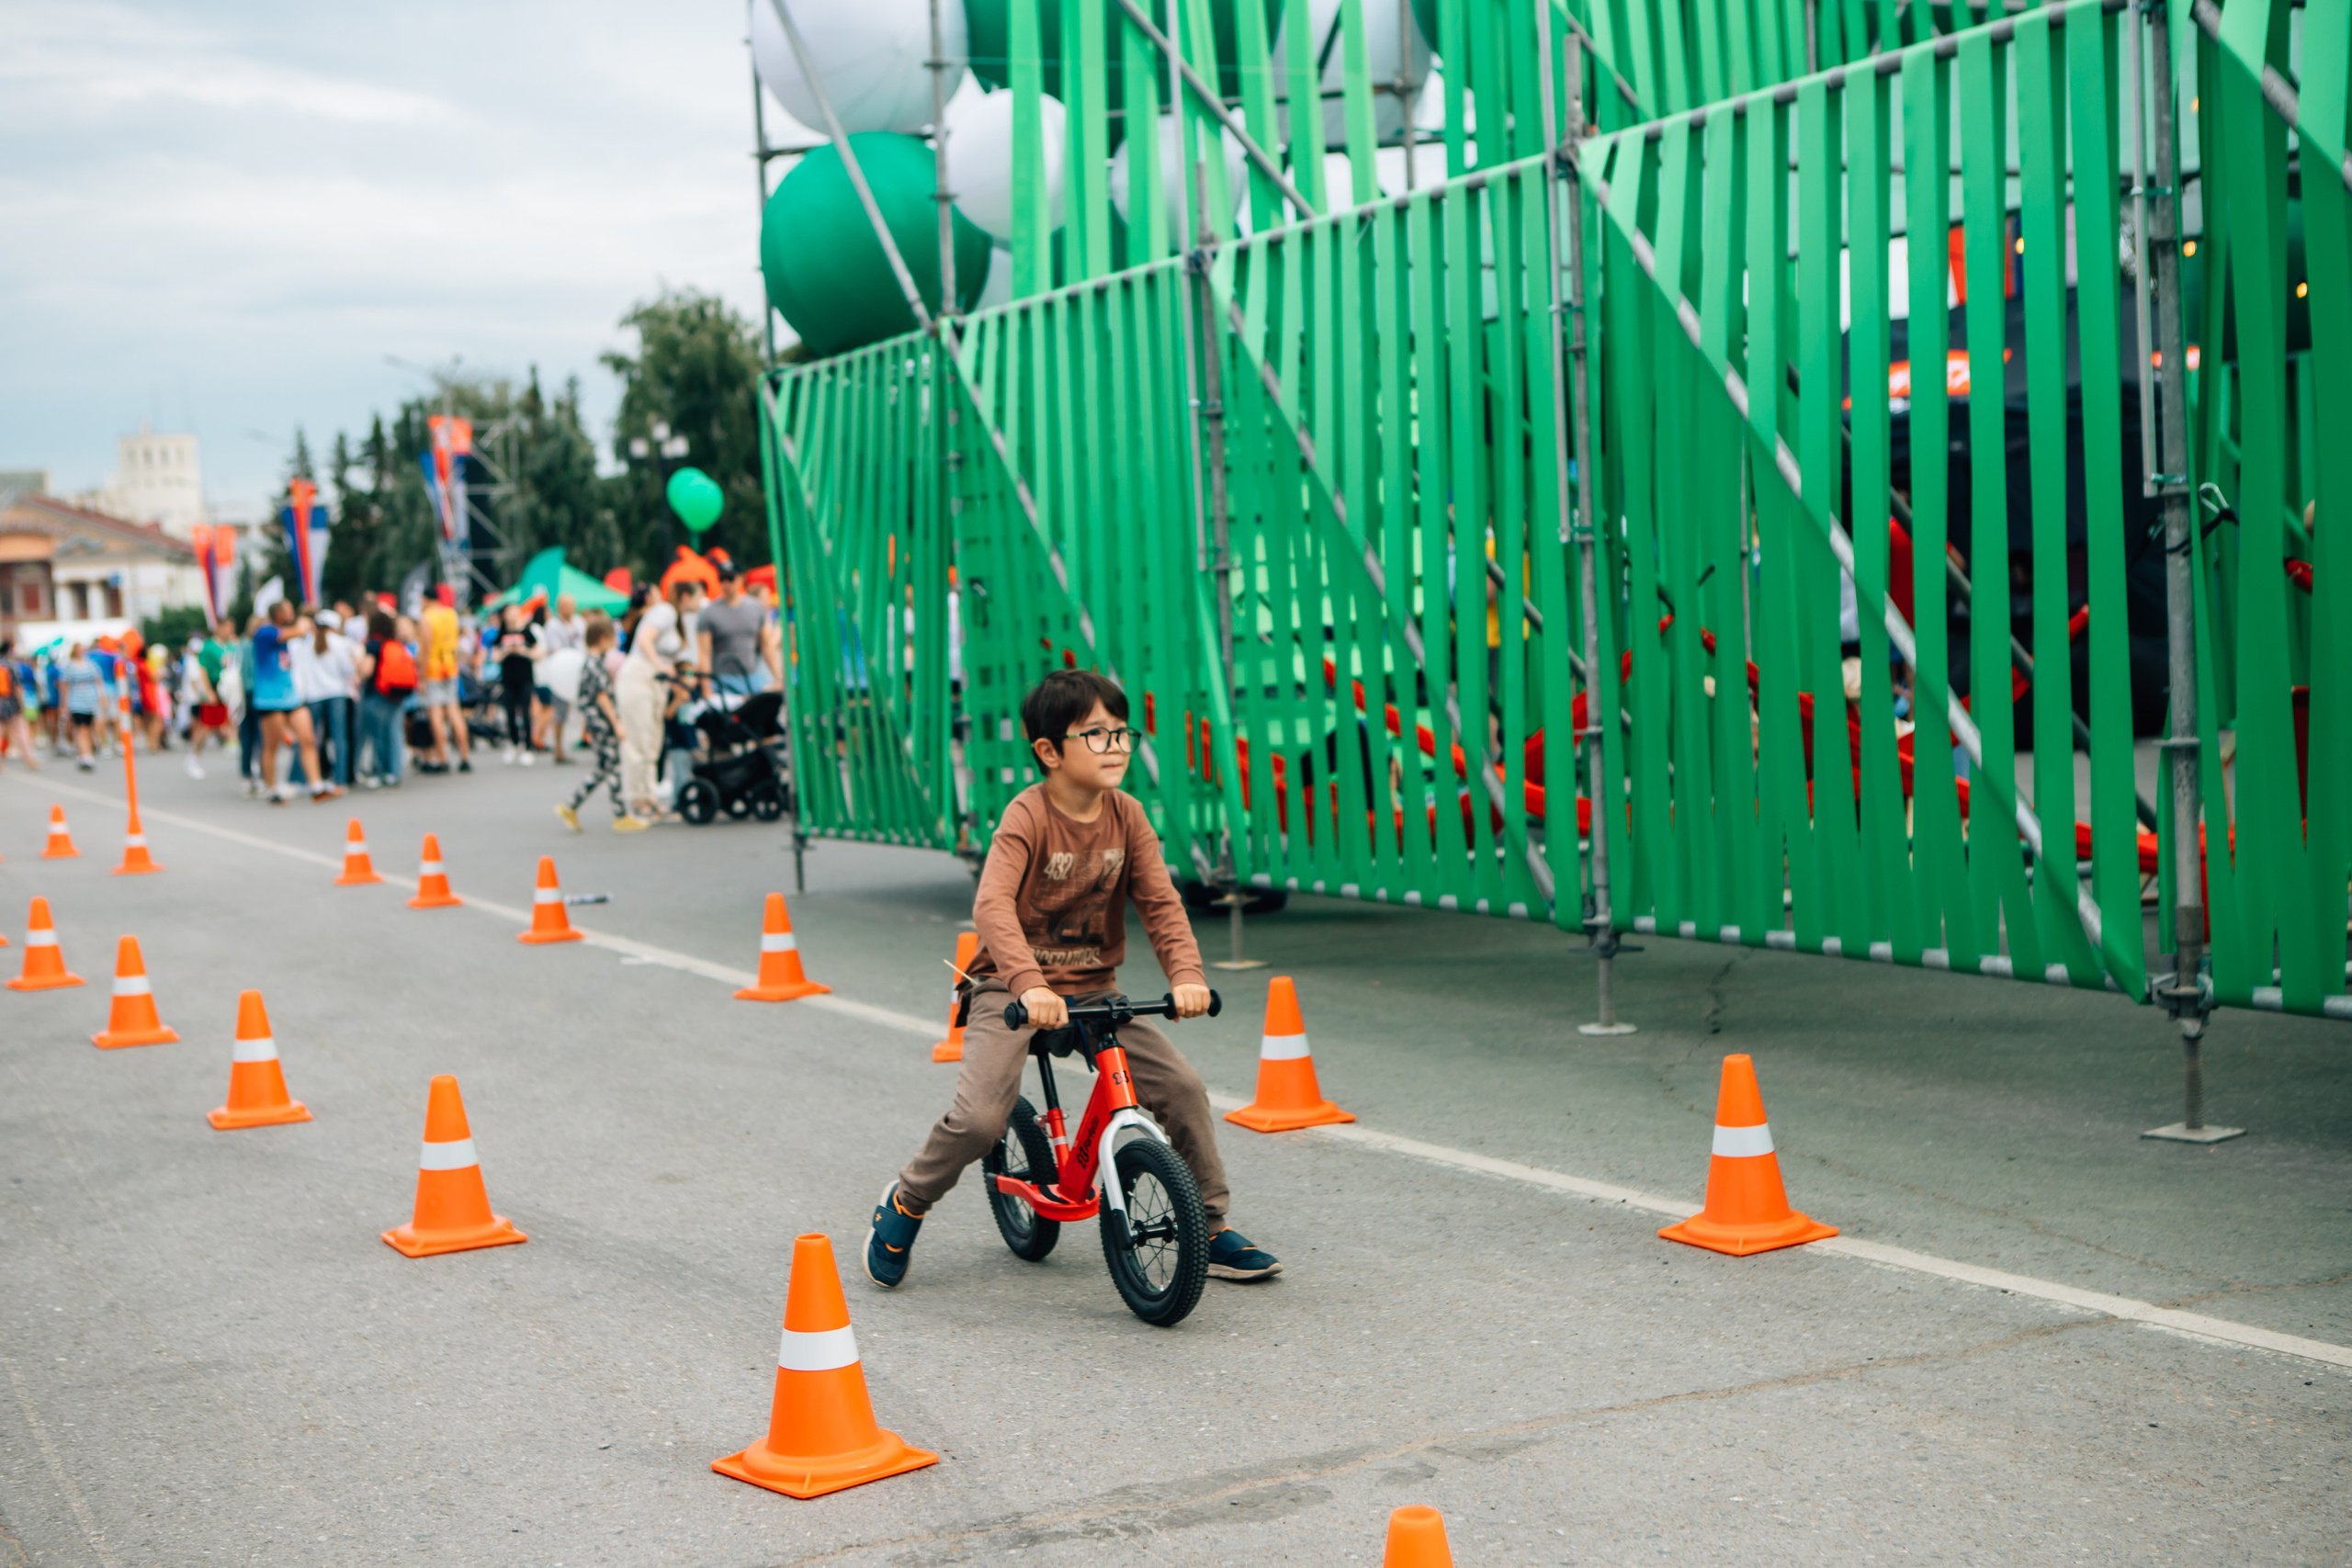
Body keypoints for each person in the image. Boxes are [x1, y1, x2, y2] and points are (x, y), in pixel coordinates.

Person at [865, 668, 1281, 1290]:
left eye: (1122, 734)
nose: (1116, 748)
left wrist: (1187, 974)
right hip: (1008, 987)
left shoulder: (1128, 815)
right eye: (1096, 735)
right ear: (1049, 751)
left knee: (1184, 1088)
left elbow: (1161, 903)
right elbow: (993, 906)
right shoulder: (1026, 816)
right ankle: (907, 1199)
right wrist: (1029, 984)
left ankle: (1212, 1228)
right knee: (981, 1119)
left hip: (1092, 990)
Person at [555, 613, 644, 833]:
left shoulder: (590, 663)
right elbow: (602, 696)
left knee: (605, 768)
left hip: (597, 723)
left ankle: (571, 806)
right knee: (612, 767)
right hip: (603, 723)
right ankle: (620, 816)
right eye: (613, 639)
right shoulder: (595, 664)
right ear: (603, 639)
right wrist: (616, 724)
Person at [253, 600, 331, 802]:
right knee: (272, 746)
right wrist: (304, 624)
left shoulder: (286, 634)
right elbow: (294, 632)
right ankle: (272, 789)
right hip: (269, 699)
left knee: (308, 738)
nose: (291, 613)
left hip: (291, 697)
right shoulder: (266, 631)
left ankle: (316, 785)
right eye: (287, 610)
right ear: (278, 613)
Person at [615, 592, 679, 822]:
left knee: (652, 742)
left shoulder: (674, 617)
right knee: (638, 740)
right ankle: (638, 800)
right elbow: (645, 640)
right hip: (641, 676)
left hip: (655, 681)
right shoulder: (665, 611)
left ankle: (649, 798)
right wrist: (659, 664)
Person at [699, 562, 780, 695]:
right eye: (722, 579)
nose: (725, 584)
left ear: (740, 579)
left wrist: (778, 676)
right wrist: (706, 688)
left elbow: (766, 646)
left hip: (753, 678)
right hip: (724, 680)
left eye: (730, 579)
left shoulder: (755, 608)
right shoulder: (709, 612)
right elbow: (704, 654)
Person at [358, 608, 415, 787]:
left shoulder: (374, 644)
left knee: (378, 735)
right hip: (397, 694)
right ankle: (395, 772)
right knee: (394, 733)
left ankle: (380, 771)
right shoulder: (395, 643)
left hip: (377, 694)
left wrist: (358, 673)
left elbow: (366, 669)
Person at [417, 584, 471, 774]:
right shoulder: (451, 614)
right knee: (454, 712)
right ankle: (465, 756)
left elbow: (425, 648)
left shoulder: (426, 618)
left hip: (433, 669)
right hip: (450, 667)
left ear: (425, 599)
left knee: (436, 715)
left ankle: (443, 758)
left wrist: (421, 677)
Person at [184, 629, 232, 779]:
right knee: (204, 727)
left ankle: (228, 743)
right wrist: (205, 695)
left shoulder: (199, 659)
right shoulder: (193, 662)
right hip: (200, 698)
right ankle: (193, 757)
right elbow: (195, 680)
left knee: (210, 726)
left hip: (205, 697)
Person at [492, 603, 537, 765]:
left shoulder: (527, 632)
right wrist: (507, 650)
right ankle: (513, 742)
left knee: (526, 712)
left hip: (525, 677)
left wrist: (522, 651)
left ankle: (528, 746)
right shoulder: (501, 633)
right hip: (507, 679)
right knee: (509, 712)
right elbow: (495, 656)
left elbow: (538, 652)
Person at [57, 642, 104, 770]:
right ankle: (84, 754)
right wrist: (63, 703)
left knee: (88, 728)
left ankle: (87, 752)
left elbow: (98, 681)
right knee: (80, 728)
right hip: (76, 700)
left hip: (89, 700)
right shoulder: (70, 667)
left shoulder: (91, 665)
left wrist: (101, 696)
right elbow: (64, 685)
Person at [0, 639, 37, 773]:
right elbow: (17, 687)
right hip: (11, 703)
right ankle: (28, 758)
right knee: (21, 731)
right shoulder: (10, 665)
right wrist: (22, 704)